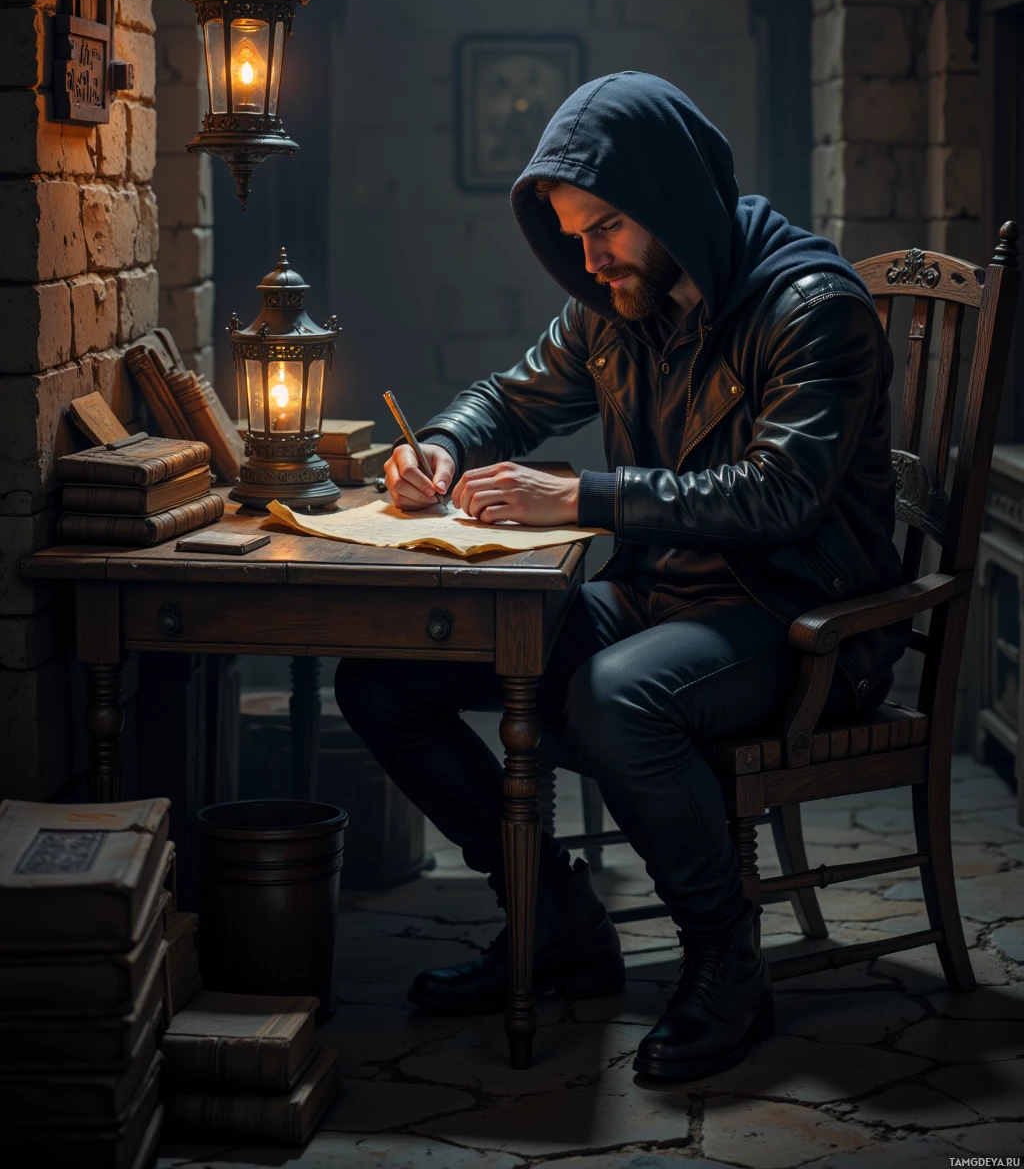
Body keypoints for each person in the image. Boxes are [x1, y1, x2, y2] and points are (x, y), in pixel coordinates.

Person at [335, 71, 907, 1081]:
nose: (589, 257)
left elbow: (781, 497)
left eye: (605, 227)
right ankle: (553, 919)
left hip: (793, 617)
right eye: (573, 233)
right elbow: (508, 399)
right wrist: (438, 445)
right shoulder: (614, 303)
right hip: (658, 598)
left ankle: (729, 966)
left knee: (613, 699)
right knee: (382, 676)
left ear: (672, 197)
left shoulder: (815, 307)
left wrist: (582, 498)